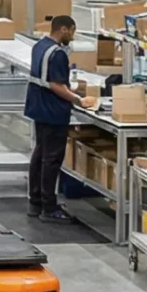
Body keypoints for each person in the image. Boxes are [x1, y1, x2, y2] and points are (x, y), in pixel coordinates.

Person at [25, 15, 88, 222]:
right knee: (51, 159)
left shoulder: (39, 46)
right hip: (52, 110)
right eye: (72, 31)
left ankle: (36, 201)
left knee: (40, 153)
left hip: (37, 107)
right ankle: (49, 208)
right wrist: (78, 99)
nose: (72, 35)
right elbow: (56, 85)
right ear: (63, 29)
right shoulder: (58, 54)